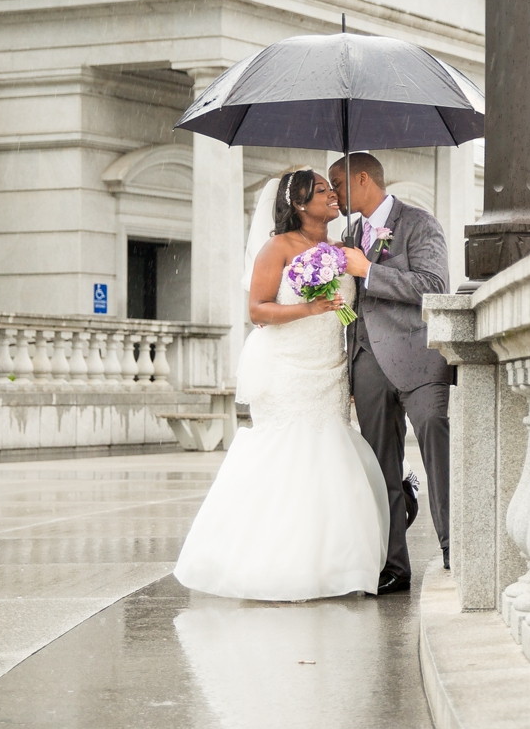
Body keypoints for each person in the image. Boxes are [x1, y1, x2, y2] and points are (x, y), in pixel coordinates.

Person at [173, 169, 390, 600]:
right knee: (290, 453)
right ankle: (274, 563)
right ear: (298, 204)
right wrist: (311, 310)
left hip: (330, 366)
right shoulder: (278, 247)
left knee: (328, 455)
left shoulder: (341, 248)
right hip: (288, 368)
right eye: (323, 191)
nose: (333, 196)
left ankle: (330, 564)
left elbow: (350, 309)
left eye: (333, 190)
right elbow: (258, 310)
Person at [332, 152, 454, 594]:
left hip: (418, 359)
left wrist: (368, 270)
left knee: (437, 450)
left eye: (339, 184)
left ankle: (453, 549)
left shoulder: (419, 223)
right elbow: (351, 304)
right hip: (367, 362)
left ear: (363, 179)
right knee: (380, 468)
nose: (335, 195)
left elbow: (433, 285)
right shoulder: (347, 234)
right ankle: (393, 567)